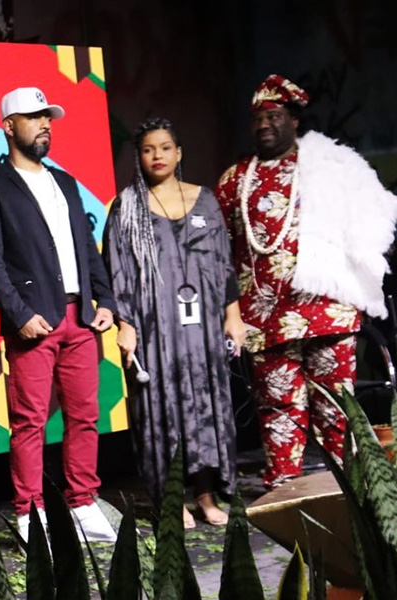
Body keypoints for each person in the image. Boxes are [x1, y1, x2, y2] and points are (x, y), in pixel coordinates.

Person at [215, 74, 397, 489]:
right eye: (257, 118)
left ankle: (347, 492)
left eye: (274, 116)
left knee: (337, 408)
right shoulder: (235, 179)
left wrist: (358, 281)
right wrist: (230, 313)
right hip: (265, 318)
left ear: (294, 120)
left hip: (328, 312)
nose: (264, 124)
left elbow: (374, 223)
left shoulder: (333, 167)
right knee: (278, 410)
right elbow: (216, 250)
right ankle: (287, 494)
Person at [0, 87, 118, 543]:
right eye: (33, 117)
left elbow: (85, 250)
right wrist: (19, 314)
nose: (45, 124)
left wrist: (105, 300)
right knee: (29, 421)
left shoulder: (65, 183)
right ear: (9, 126)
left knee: (85, 414)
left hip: (80, 318)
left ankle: (83, 502)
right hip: (34, 323)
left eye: (48, 117)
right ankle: (30, 512)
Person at [104, 117, 245, 528]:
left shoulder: (206, 201)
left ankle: (205, 494)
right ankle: (173, 501)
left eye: (165, 147)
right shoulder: (126, 206)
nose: (157, 156)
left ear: (178, 152)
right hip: (154, 329)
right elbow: (119, 272)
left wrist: (232, 316)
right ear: (139, 157)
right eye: (149, 149)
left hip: (201, 330)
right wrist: (125, 324)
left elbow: (223, 265)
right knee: (161, 412)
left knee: (205, 407)